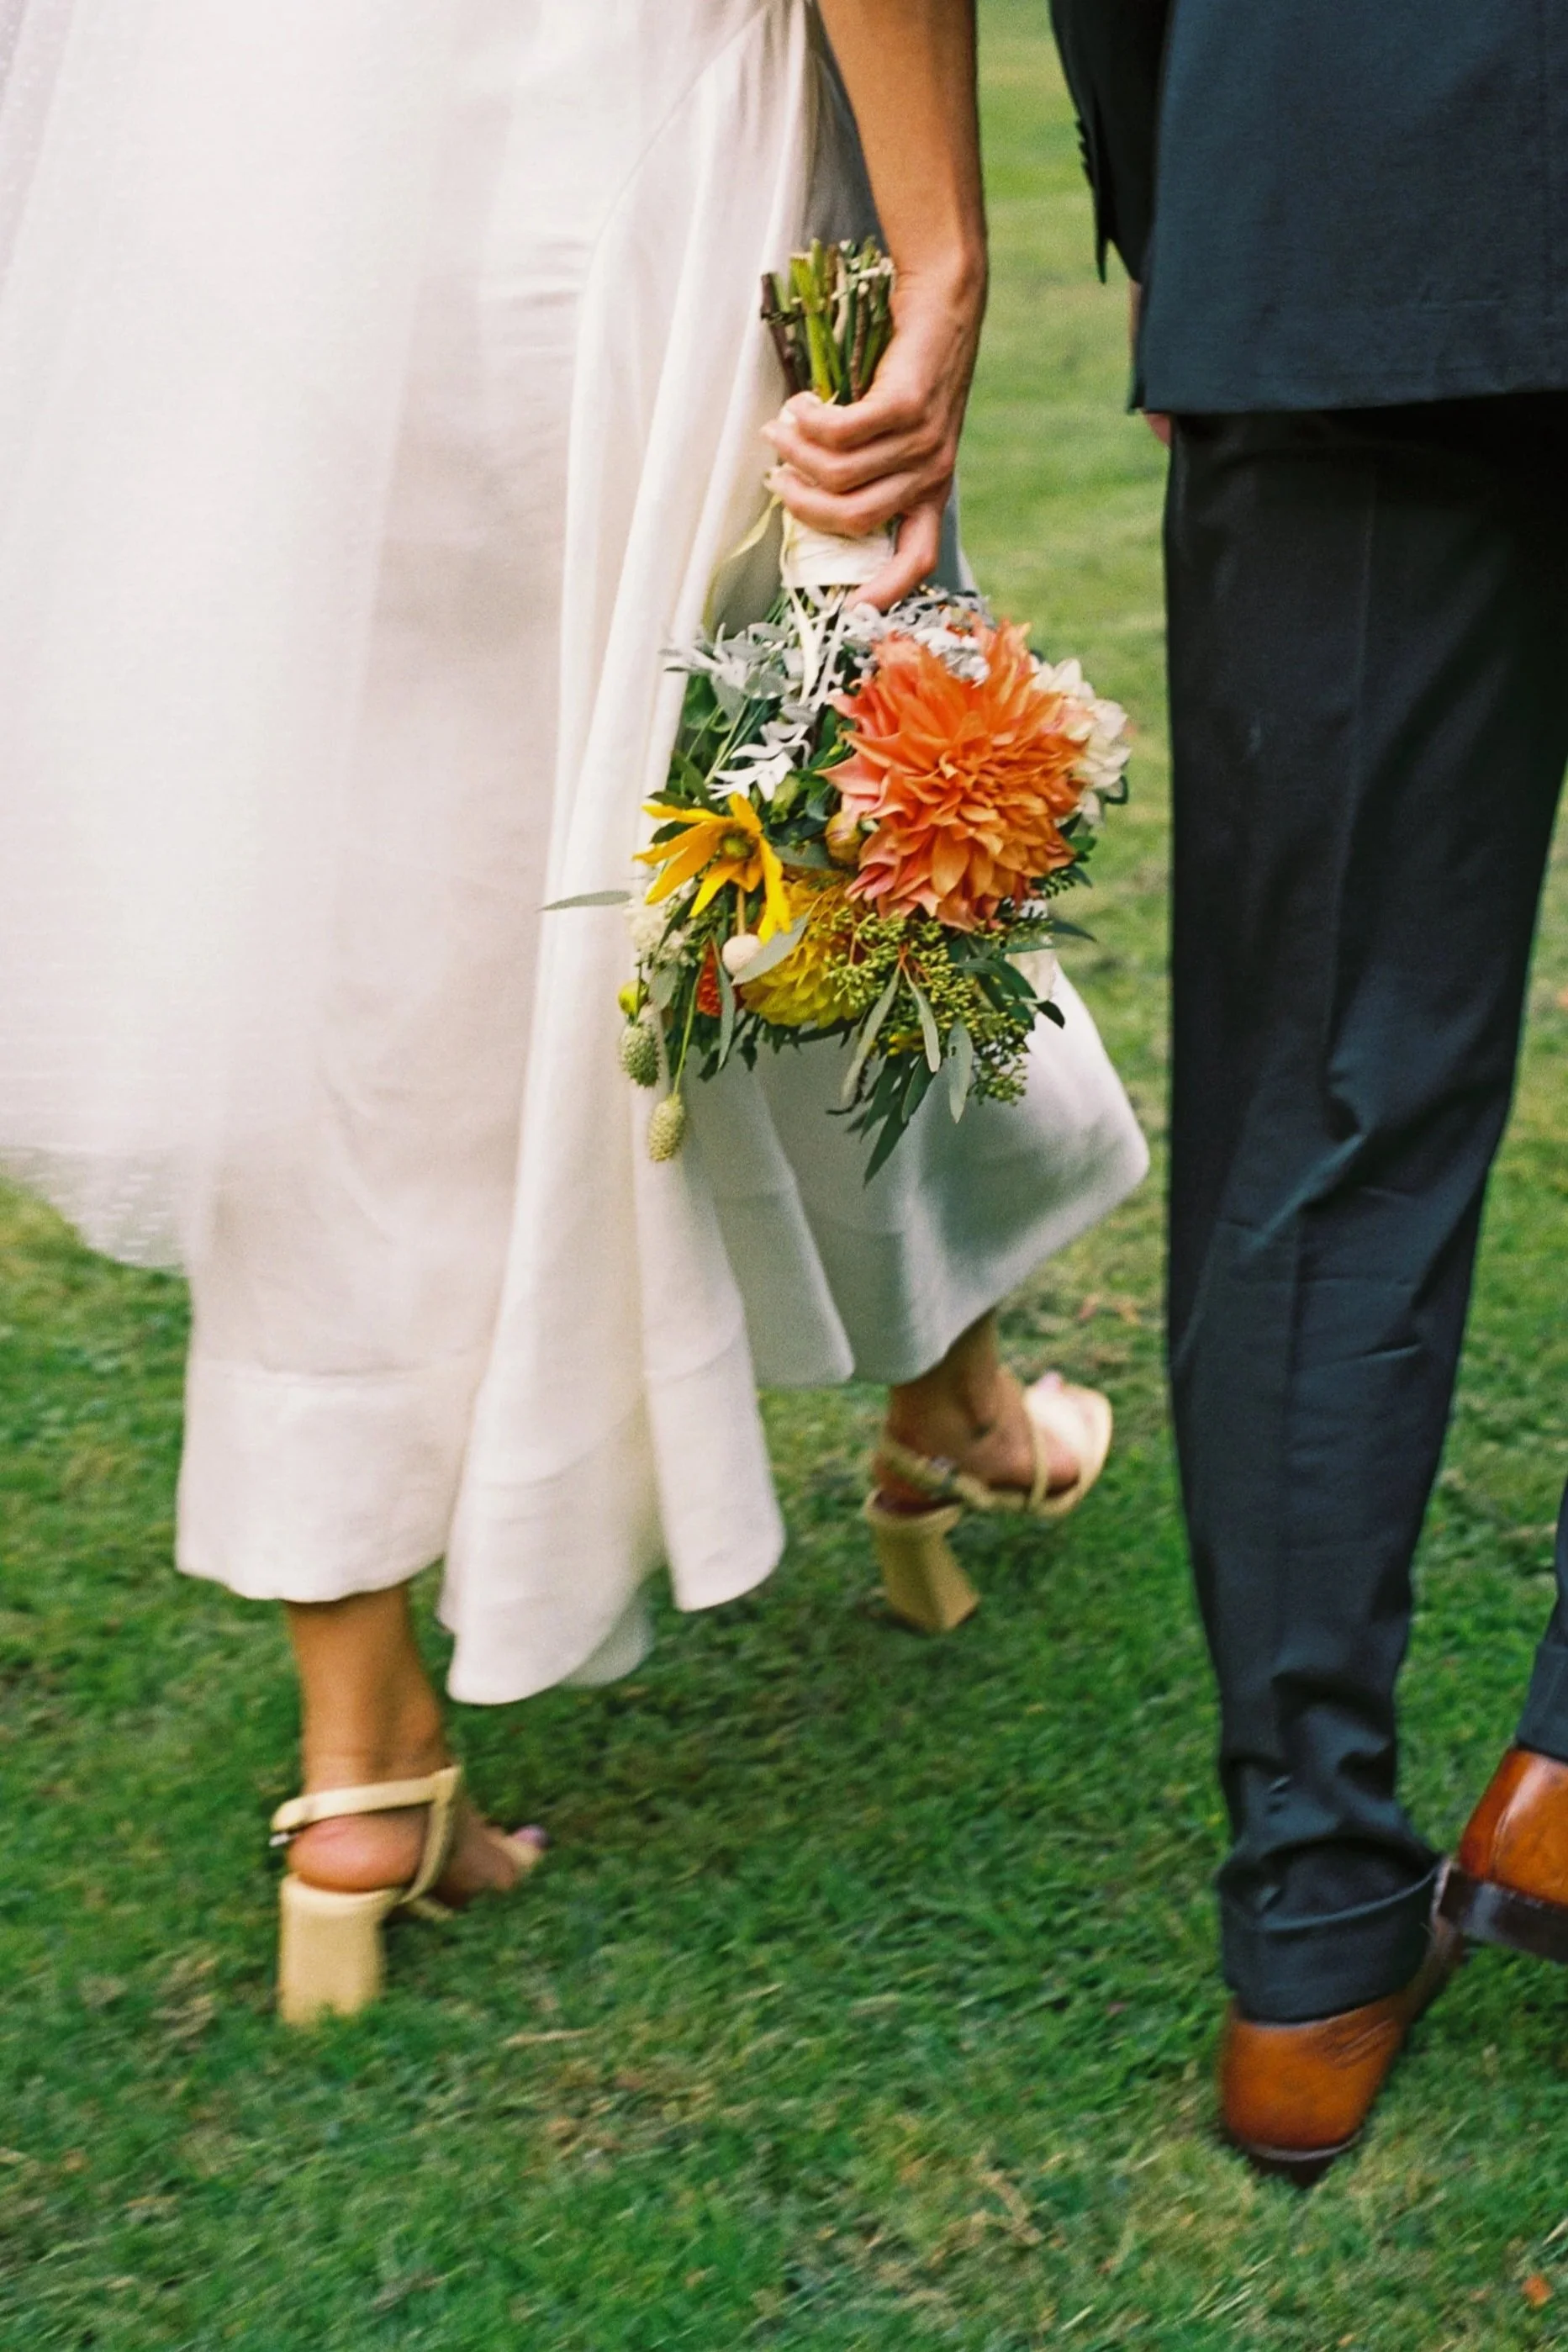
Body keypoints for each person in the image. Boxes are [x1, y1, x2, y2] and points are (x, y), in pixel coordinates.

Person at [0, 0, 1143, 2022]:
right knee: (812, 757)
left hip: (278, 199)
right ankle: (943, 1396)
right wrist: (931, 237)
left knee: (347, 897)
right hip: (633, 156)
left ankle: (361, 1764)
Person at [1051, 0, 1568, 2181]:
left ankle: (1311, 1946)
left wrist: (1196, 218)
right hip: (1329, 213)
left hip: (1335, 192)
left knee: (1328, 1105)